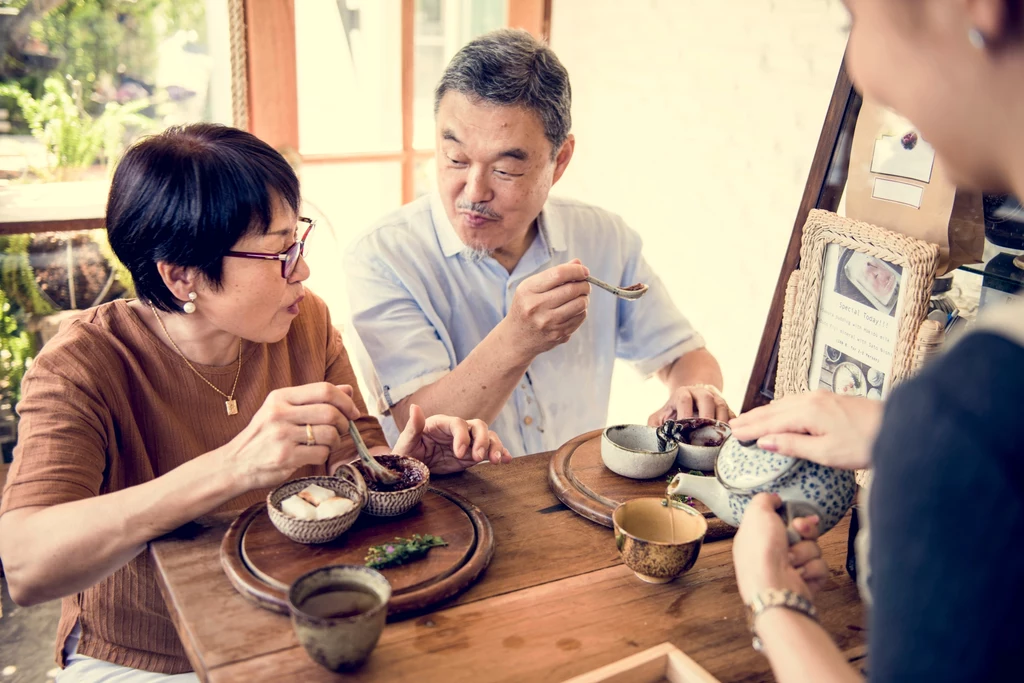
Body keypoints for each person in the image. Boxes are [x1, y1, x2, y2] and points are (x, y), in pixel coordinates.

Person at [0, 124, 510, 681]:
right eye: (279, 252)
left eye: (300, 241)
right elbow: (26, 564)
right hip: (147, 653)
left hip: (293, 617)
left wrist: (392, 470)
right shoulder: (83, 363)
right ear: (180, 276)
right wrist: (232, 466)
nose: (303, 269)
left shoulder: (303, 320)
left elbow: (348, 454)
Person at [728, 1, 1024, 680]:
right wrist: (899, 432)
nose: (860, 63)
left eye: (854, 15)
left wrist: (775, 604)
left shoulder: (972, 419)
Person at [343, 29, 729, 457]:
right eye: (455, 159)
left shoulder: (603, 237)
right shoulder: (383, 256)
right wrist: (518, 337)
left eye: (505, 170)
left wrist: (695, 391)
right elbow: (419, 428)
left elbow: (683, 355)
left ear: (559, 160)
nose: (474, 191)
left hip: (576, 494)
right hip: (450, 511)